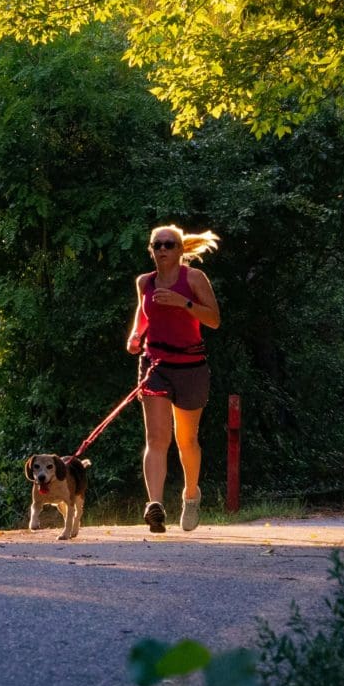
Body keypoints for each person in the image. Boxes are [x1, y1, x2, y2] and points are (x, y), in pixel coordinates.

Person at [125, 224, 221, 532]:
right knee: (156, 438)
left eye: (169, 244)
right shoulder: (145, 282)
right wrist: (136, 335)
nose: (163, 249)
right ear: (151, 250)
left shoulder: (193, 279)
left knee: (187, 439)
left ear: (180, 250)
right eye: (157, 245)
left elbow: (214, 320)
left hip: (191, 366)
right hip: (156, 365)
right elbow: (144, 314)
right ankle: (155, 505)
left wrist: (184, 303)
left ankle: (191, 495)